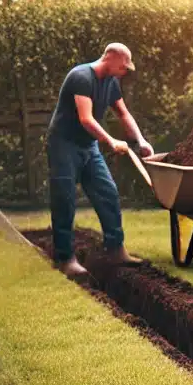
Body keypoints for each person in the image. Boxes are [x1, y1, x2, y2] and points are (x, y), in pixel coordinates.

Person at [46, 43, 152, 277]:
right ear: (110, 58)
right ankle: (65, 258)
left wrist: (140, 140)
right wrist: (111, 141)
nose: (126, 70)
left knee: (108, 192)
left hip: (88, 145)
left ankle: (115, 249)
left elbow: (123, 113)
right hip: (64, 144)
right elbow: (85, 119)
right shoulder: (81, 77)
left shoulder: (111, 82)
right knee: (64, 199)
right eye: (124, 66)